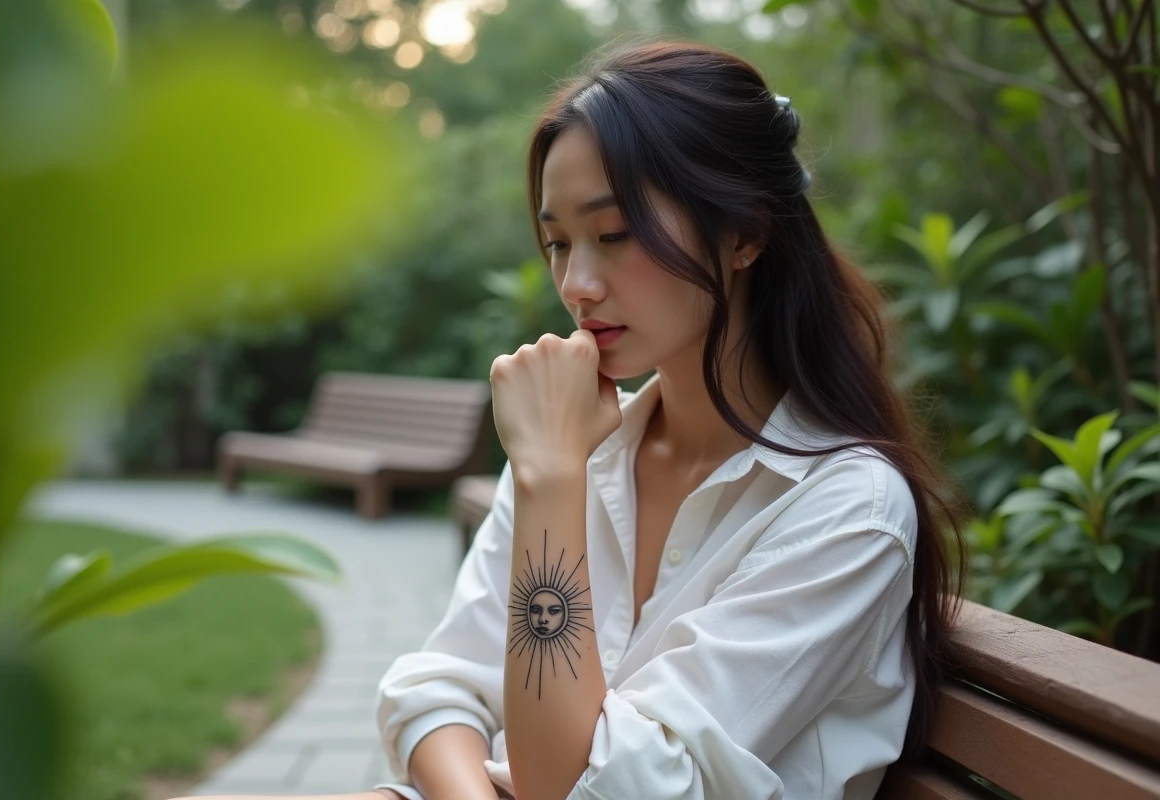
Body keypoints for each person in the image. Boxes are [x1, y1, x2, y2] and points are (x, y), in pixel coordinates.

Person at [179, 35, 965, 800]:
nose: (577, 283)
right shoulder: (587, 448)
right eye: (557, 243)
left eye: (614, 234)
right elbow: (439, 688)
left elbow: (594, 788)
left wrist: (550, 477)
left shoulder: (844, 512)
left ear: (746, 233)